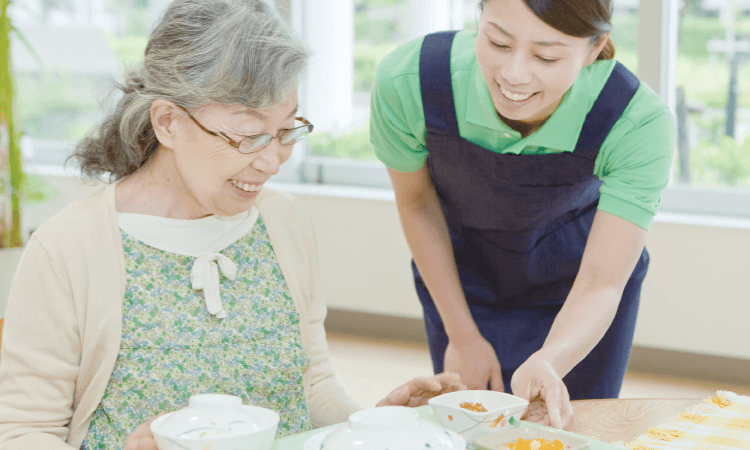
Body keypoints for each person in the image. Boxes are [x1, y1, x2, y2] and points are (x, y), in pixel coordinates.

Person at [0, 1, 465, 449]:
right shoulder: (69, 248)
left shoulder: (284, 222)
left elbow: (310, 384)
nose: (271, 161)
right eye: (248, 136)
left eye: (286, 132)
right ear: (167, 122)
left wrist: (372, 424)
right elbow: (21, 432)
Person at [370, 0, 674, 430]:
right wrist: (462, 334)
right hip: (463, 279)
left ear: (594, 48)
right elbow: (416, 202)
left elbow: (602, 280)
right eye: (497, 41)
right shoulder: (410, 82)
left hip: (577, 292)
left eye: (546, 56)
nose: (513, 73)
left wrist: (552, 358)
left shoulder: (637, 121)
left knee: (569, 432)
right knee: (470, 430)